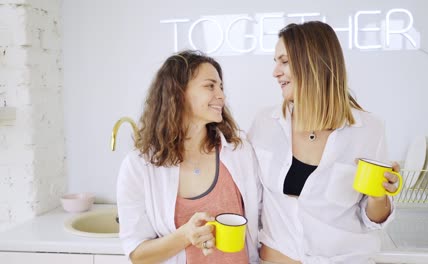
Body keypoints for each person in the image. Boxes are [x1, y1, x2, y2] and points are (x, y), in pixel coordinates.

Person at [248, 21, 400, 264]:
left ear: (313, 63)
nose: (275, 72)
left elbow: (373, 220)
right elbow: (249, 201)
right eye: (276, 62)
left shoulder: (369, 129)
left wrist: (379, 196)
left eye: (284, 61)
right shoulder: (265, 124)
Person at [117, 50, 261, 264]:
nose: (221, 95)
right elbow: (137, 254)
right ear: (178, 92)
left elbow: (261, 222)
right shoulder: (139, 165)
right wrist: (185, 235)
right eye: (210, 86)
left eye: (220, 87)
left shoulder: (239, 150)